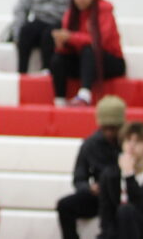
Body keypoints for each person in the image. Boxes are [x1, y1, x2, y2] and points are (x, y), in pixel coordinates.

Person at [56, 95, 127, 239]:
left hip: (126, 196)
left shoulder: (131, 141)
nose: (109, 133)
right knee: (64, 205)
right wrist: (89, 188)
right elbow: (78, 178)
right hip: (99, 197)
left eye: (114, 128)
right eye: (105, 128)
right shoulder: (90, 144)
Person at [50, 0, 126, 106]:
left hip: (109, 61)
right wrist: (61, 43)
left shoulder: (104, 11)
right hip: (83, 63)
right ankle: (60, 100)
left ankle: (85, 94)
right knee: (58, 59)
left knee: (89, 49)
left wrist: (71, 37)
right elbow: (68, 48)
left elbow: (100, 42)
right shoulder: (70, 14)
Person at [99, 121, 143, 239]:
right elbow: (107, 215)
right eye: (127, 141)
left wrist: (129, 176)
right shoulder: (110, 174)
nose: (131, 146)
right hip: (118, 233)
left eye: (137, 141)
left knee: (126, 210)